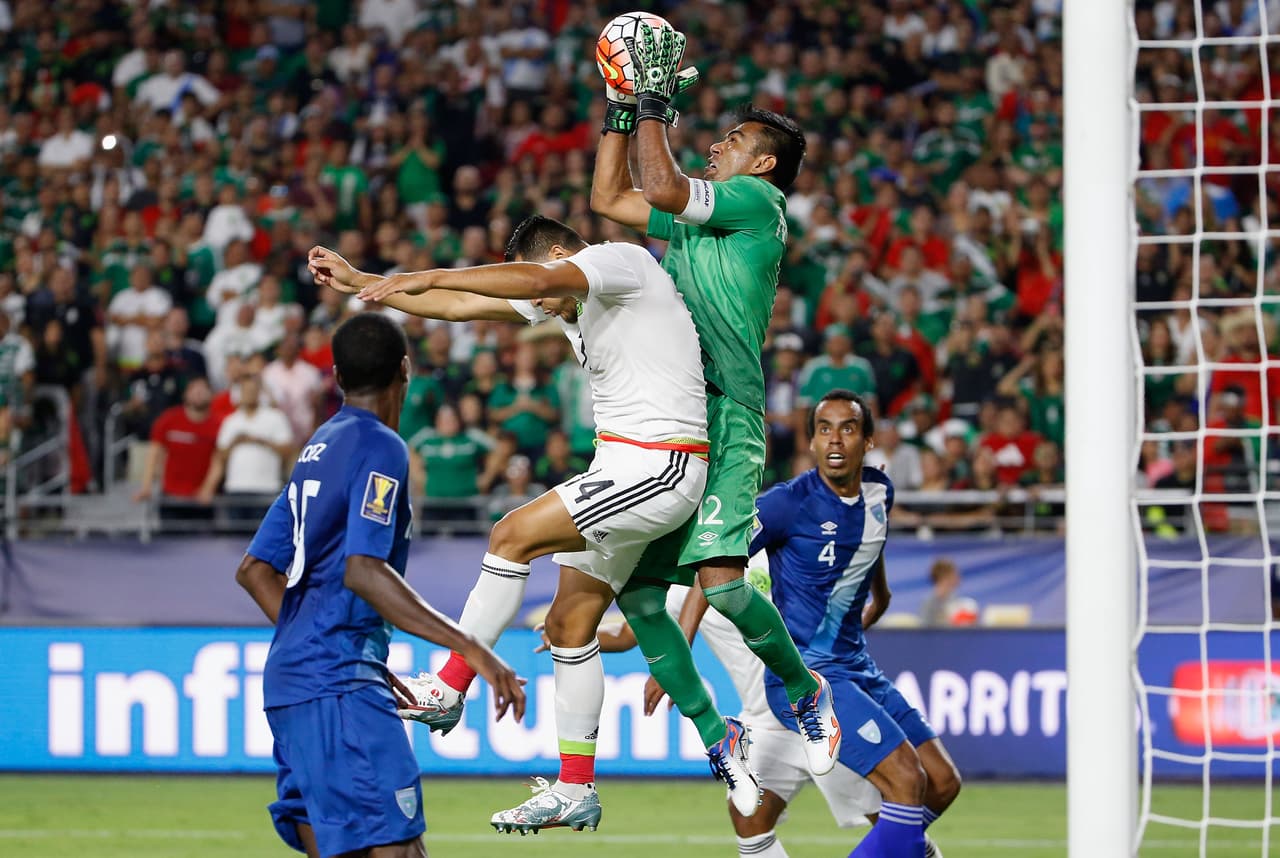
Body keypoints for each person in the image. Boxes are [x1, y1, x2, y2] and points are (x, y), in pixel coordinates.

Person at [310, 215, 758, 832]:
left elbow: (529, 282)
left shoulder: (619, 262)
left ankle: (449, 685)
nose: (540, 309)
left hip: (662, 464)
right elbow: (462, 306)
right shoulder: (571, 300)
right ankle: (577, 786)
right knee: (569, 624)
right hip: (624, 468)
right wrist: (367, 281)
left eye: (542, 289)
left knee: (510, 535)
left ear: (555, 254)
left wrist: (423, 273)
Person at [589, 23, 841, 775]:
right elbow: (609, 198)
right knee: (638, 594)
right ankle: (717, 734)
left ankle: (806, 689)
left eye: (732, 141)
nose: (716, 147)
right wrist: (621, 111)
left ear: (762, 164)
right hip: (673, 417)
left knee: (724, 587)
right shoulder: (705, 221)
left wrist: (654, 101)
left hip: (728, 412)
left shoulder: (758, 202)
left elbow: (663, 186)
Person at [234, 312, 526, 858]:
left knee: (334, 844)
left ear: (338, 377)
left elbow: (254, 569)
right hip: (338, 682)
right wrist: (471, 649)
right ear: (405, 370)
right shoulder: (381, 446)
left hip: (292, 683)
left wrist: (325, 644)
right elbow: (363, 570)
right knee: (398, 847)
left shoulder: (318, 447)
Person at [741, 389, 962, 857]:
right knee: (907, 781)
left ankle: (900, 848)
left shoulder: (880, 491)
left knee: (942, 782)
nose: (835, 439)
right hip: (808, 678)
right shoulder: (787, 504)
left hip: (856, 666)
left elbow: (866, 543)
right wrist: (675, 644)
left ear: (868, 441)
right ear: (812, 442)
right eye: (824, 429)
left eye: (848, 428)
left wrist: (881, 597)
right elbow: (716, 562)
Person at [133, 376, 222, 525]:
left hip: (201, 501)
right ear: (185, 394)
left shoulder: (219, 425)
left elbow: (218, 461)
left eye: (203, 389)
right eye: (194, 389)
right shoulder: (169, 419)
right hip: (171, 497)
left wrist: (208, 488)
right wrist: (146, 486)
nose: (199, 393)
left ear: (211, 395)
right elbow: (154, 454)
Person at [919, 558, 962, 628]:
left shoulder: (956, 600)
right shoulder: (928, 602)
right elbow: (924, 628)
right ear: (944, 576)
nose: (958, 577)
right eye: (954, 574)